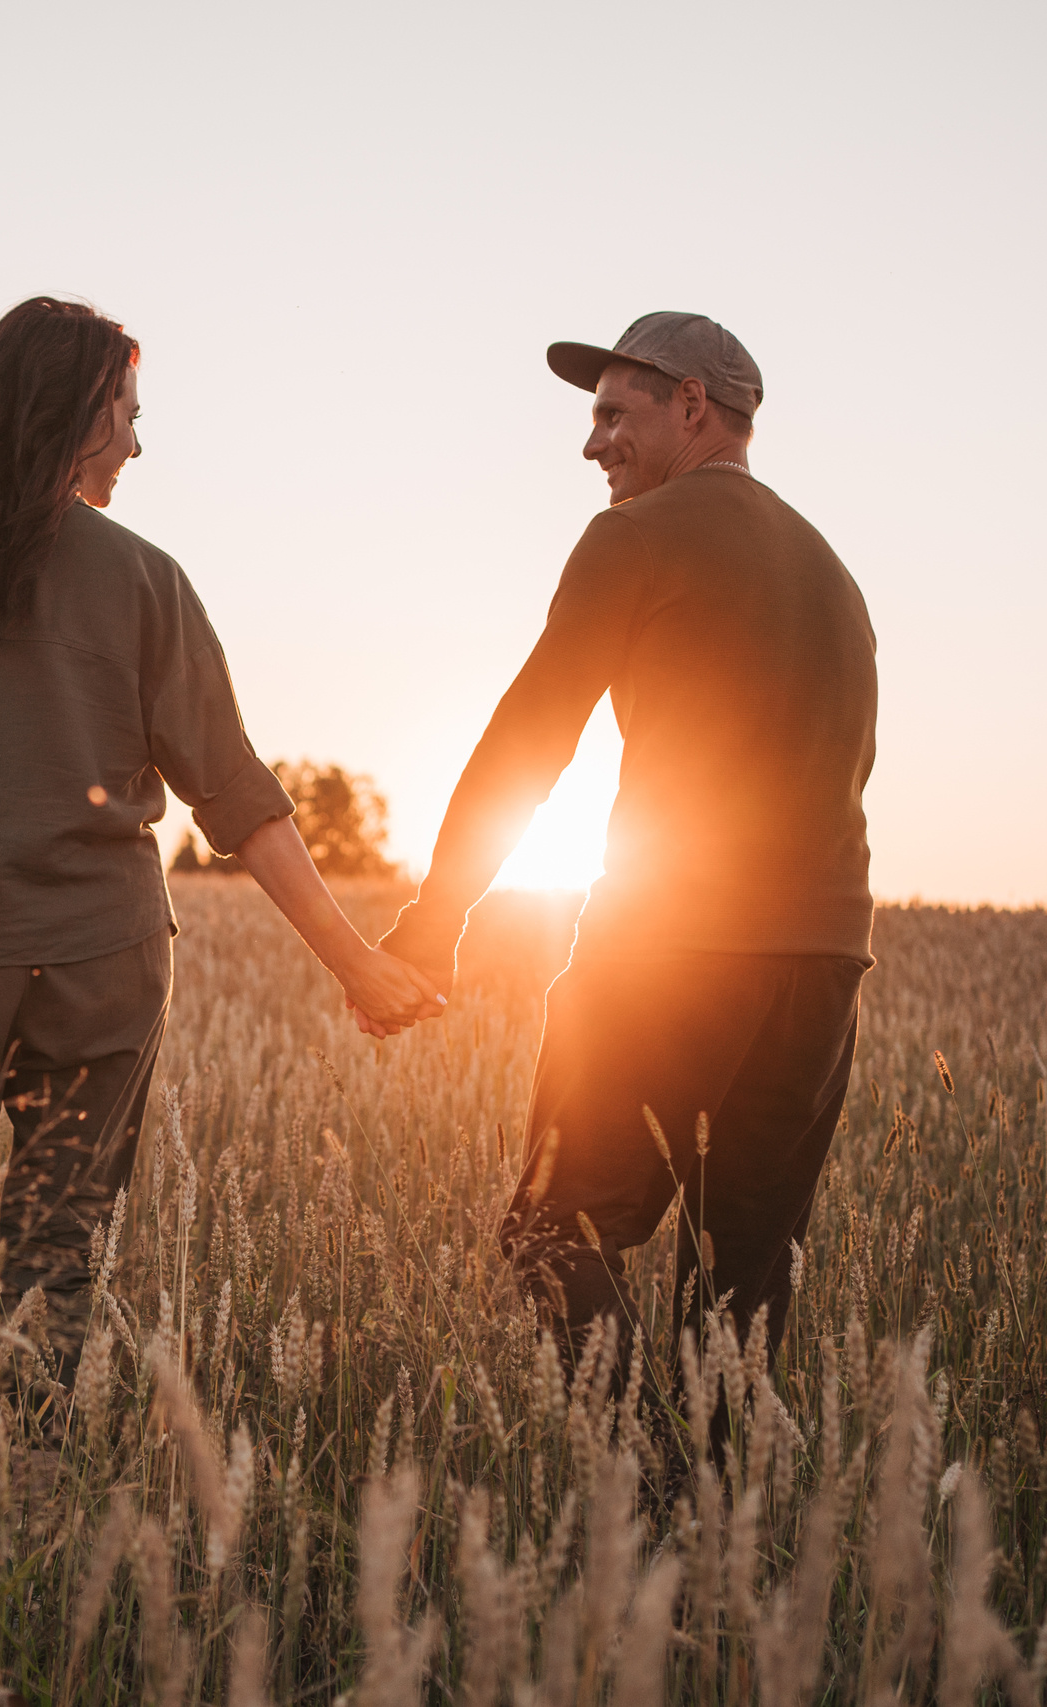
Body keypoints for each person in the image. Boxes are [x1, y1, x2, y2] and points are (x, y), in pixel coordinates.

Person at [0, 297, 444, 1497]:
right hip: (100, 961)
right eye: (128, 415)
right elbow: (239, 800)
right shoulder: (146, 580)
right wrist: (352, 961)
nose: (138, 445)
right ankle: (30, 1485)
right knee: (58, 1238)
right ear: (75, 411)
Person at [381, 311, 876, 1394]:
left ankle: (645, 1500)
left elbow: (530, 740)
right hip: (826, 971)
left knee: (552, 1233)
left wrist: (434, 922)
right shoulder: (833, 576)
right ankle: (714, 1536)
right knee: (740, 1281)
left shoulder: (635, 539)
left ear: (690, 406)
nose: (591, 442)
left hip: (672, 947)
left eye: (614, 413)